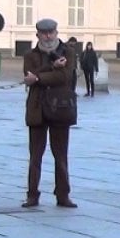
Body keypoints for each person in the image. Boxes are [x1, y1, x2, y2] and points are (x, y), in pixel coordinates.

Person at [21, 18, 78, 208]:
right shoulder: (30, 54)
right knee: (35, 156)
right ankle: (32, 194)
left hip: (60, 108)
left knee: (61, 155)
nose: (48, 36)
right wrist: (51, 67)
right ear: (37, 34)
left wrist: (38, 78)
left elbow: (65, 77)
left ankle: (63, 194)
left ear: (56, 32)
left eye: (51, 32)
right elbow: (28, 76)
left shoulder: (68, 52)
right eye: (44, 33)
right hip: (37, 109)